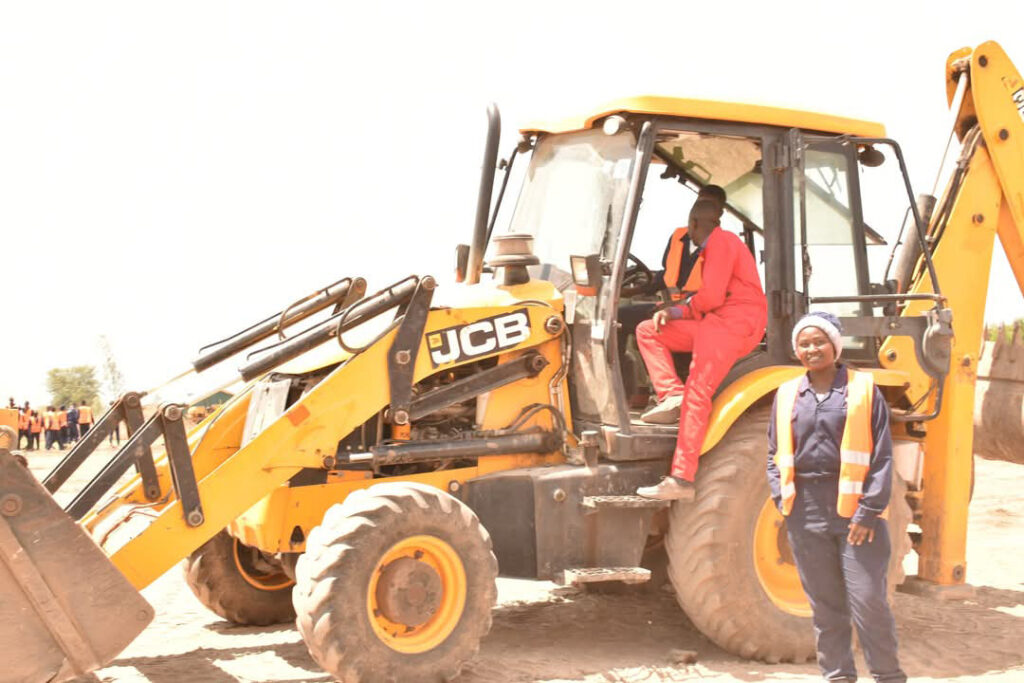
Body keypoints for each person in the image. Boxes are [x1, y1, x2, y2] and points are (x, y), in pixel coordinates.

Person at [766, 312, 906, 683]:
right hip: (805, 511)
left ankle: (888, 676)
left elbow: (881, 455)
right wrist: (781, 496)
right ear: (796, 350)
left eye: (819, 342)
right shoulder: (786, 394)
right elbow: (774, 452)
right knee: (825, 607)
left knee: (868, 601)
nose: (812, 349)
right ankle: (838, 676)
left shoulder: (863, 390)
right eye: (804, 344)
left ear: (835, 346)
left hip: (856, 513)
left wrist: (868, 511)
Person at [635, 199, 767, 500]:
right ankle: (671, 394)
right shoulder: (718, 246)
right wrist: (676, 312)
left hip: (730, 325)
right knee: (649, 331)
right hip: (718, 322)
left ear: (694, 224)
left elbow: (711, 297)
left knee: (698, 394)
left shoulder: (721, 242)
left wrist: (680, 310)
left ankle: (681, 479)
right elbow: (709, 299)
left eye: (689, 226)